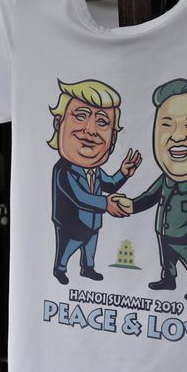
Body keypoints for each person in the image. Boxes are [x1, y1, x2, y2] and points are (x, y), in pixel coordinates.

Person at [115, 78, 187, 302]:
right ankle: (168, 278)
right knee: (167, 261)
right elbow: (150, 196)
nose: (177, 136)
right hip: (166, 232)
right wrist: (131, 205)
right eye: (166, 125)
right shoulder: (166, 176)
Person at [46, 79, 141, 285]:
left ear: (113, 139)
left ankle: (87, 268)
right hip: (69, 223)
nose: (90, 130)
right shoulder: (63, 170)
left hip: (93, 222)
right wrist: (107, 204)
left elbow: (109, 184)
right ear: (58, 124)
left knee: (90, 248)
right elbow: (79, 197)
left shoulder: (95, 170)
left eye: (103, 122)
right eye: (80, 116)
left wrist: (124, 173)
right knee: (66, 248)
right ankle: (60, 269)